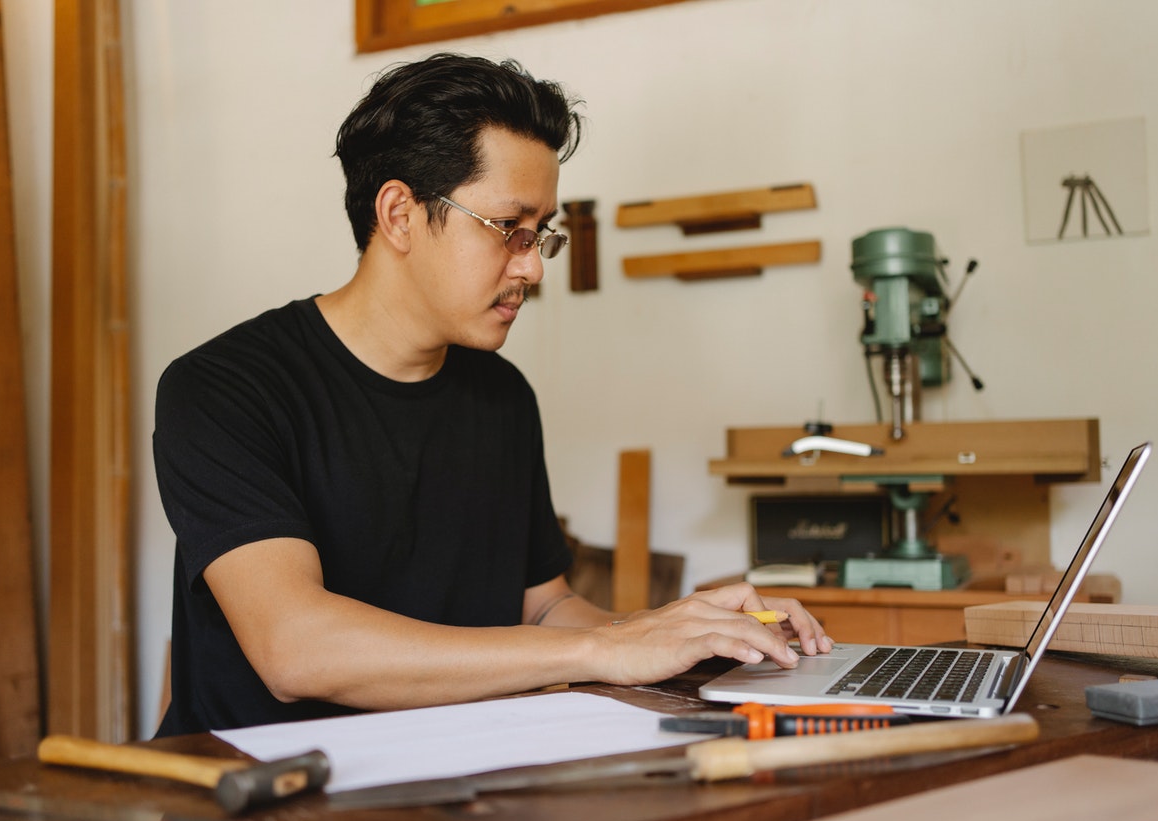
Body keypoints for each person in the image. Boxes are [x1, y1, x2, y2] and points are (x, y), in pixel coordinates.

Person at [153, 53, 832, 737]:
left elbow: (543, 607)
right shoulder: (224, 389)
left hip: (446, 773)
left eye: (541, 235)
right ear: (399, 214)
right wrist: (606, 648)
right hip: (256, 795)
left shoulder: (500, 395)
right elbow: (297, 649)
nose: (533, 267)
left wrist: (685, 628)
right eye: (510, 229)